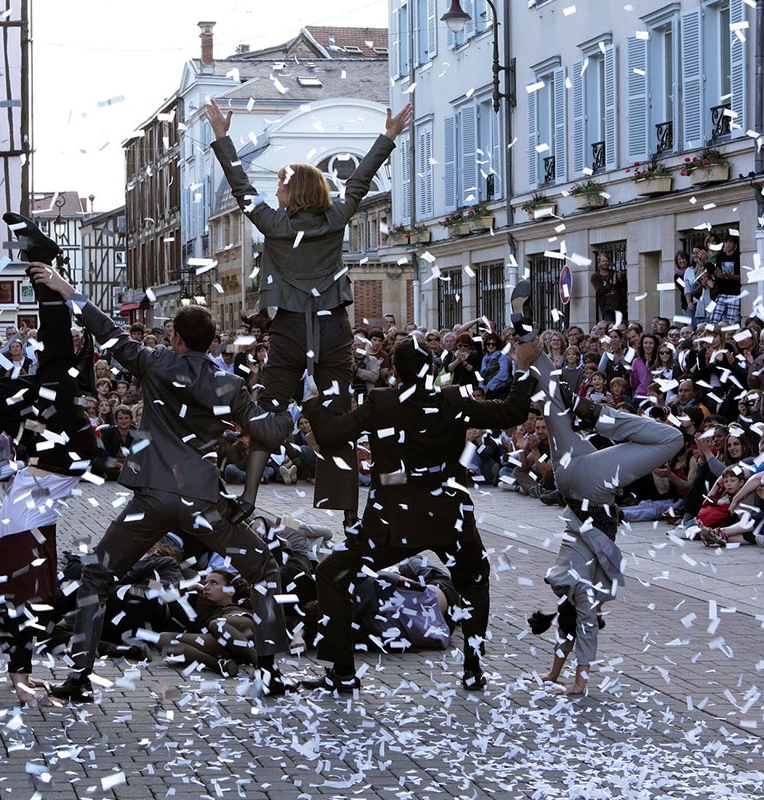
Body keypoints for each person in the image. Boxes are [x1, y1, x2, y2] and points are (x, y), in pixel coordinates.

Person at [27, 263, 296, 703]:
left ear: (175, 338)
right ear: (212, 343)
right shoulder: (229, 384)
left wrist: (64, 287)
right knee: (265, 569)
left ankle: (79, 678)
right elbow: (268, 433)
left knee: (97, 575)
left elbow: (108, 332)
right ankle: (269, 671)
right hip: (202, 503)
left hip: (151, 497)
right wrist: (296, 410)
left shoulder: (155, 363)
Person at [203, 96, 413, 523]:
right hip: (333, 326)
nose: (276, 192)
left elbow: (242, 189)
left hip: (290, 329)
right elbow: (360, 182)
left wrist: (223, 140)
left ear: (292, 192)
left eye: (280, 186)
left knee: (269, 410)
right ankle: (349, 512)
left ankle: (249, 498)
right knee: (338, 416)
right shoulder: (336, 218)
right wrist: (387, 137)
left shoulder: (274, 225)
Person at [300, 332, 541, 692]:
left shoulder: (382, 402)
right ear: (430, 367)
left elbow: (333, 436)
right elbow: (511, 411)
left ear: (394, 371)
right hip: (448, 516)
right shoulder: (455, 398)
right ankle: (473, 667)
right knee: (474, 579)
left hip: (393, 521)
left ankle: (343, 671)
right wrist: (522, 366)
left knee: (332, 573)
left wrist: (315, 399)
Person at [0, 213, 104, 705]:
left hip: (58, 451)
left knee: (44, 362)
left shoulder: (14, 542)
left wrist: (19, 676)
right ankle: (43, 262)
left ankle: (42, 262)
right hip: (61, 451)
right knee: (49, 359)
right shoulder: (17, 543)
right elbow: (22, 606)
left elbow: (20, 607)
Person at [591, 252, 627, 323]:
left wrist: (621, 279)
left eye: (607, 261)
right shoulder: (595, 276)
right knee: (608, 325)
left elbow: (624, 287)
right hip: (606, 307)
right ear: (599, 263)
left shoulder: (614, 273)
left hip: (618, 305)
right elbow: (600, 290)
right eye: (603, 261)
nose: (605, 263)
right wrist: (612, 284)